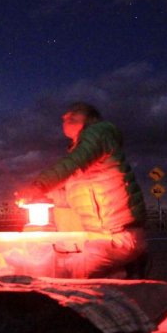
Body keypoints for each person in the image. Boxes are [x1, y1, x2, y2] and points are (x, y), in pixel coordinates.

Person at [16, 102, 148, 278]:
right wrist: (42, 197)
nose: (66, 120)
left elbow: (72, 164)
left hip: (120, 236)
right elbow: (74, 195)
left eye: (73, 116)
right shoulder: (88, 162)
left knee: (74, 273)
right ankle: (127, 274)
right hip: (101, 237)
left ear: (91, 119)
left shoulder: (99, 133)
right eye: (64, 118)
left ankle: (128, 276)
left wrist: (38, 186)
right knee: (67, 266)